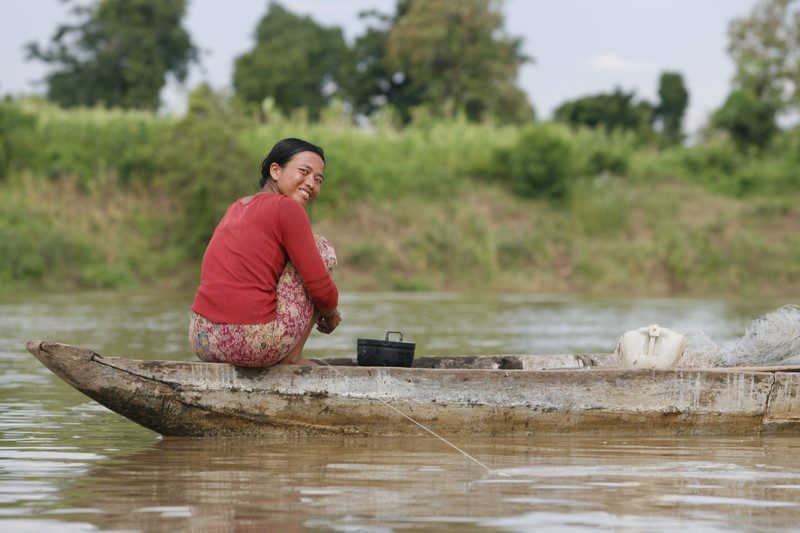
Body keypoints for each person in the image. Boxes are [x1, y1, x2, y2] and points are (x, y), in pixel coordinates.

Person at [189, 138, 341, 367]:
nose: (311, 183)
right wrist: (330, 314)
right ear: (275, 170)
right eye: (304, 171)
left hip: (202, 337)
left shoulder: (237, 206)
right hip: (249, 343)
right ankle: (292, 358)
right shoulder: (287, 208)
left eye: (318, 180)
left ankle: (284, 354)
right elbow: (319, 285)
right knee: (322, 249)